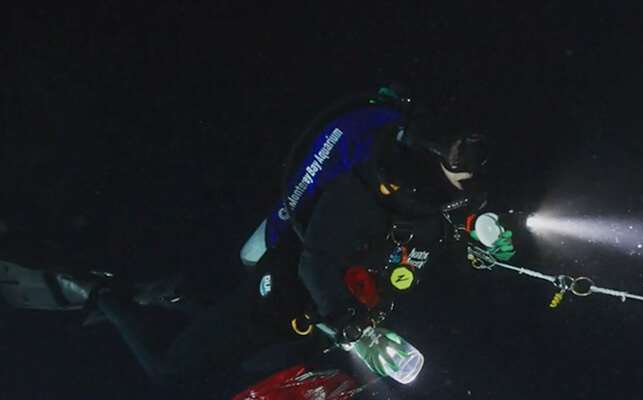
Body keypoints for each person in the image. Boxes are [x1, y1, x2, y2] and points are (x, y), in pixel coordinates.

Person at [0, 85, 516, 384]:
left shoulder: (430, 209)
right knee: (167, 371)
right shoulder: (364, 191)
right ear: (431, 147)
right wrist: (348, 320)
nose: (471, 176)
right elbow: (316, 259)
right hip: (285, 288)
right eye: (465, 157)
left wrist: (480, 248)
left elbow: (420, 252)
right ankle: (99, 291)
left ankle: (169, 298)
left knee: (242, 354)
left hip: (310, 311)